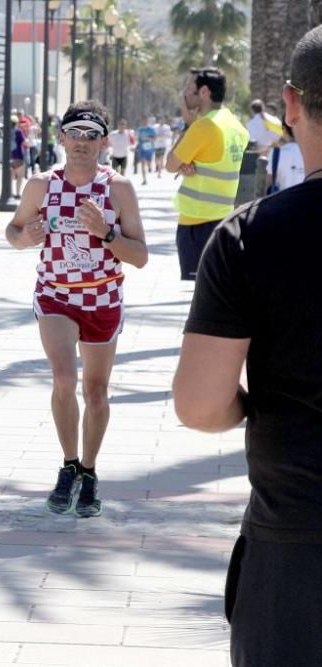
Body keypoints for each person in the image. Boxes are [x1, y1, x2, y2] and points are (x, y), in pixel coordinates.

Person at [172, 26, 322, 666]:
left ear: (291, 104)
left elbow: (200, 406)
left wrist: (251, 405)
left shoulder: (250, 237)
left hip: (297, 546)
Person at [5, 101, 148, 518]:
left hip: (102, 297)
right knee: (64, 378)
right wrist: (25, 236)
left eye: (91, 135)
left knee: (96, 392)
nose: (82, 143)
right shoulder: (40, 185)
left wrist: (105, 232)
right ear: (61, 138)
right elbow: (13, 231)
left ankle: (88, 471)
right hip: (55, 294)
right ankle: (68, 465)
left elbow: (139, 256)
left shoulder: (117, 188)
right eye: (75, 134)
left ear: (105, 142)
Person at [166, 67, 249, 281]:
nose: (184, 93)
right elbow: (211, 159)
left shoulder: (203, 126)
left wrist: (188, 124)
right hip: (224, 218)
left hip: (197, 221)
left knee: (199, 297)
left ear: (203, 92)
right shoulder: (234, 124)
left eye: (189, 87)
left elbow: (170, 163)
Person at [265, 121, 304, 193]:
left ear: (284, 130)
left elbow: (269, 184)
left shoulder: (276, 152)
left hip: (282, 200)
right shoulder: (311, 151)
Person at [136, 116, 157, 185]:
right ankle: (144, 179)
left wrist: (148, 138)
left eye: (145, 120)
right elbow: (137, 139)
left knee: (149, 162)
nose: (144, 122)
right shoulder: (139, 130)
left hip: (149, 149)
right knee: (142, 163)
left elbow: (154, 138)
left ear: (147, 121)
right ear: (141, 121)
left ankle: (149, 166)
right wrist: (136, 146)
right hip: (142, 149)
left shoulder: (151, 129)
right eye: (142, 121)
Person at [11, 116, 28, 198]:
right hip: (18, 155)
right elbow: (25, 142)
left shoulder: (7, 131)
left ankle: (9, 193)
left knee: (10, 176)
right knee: (20, 177)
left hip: (9, 155)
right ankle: (17, 193)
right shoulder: (18, 131)